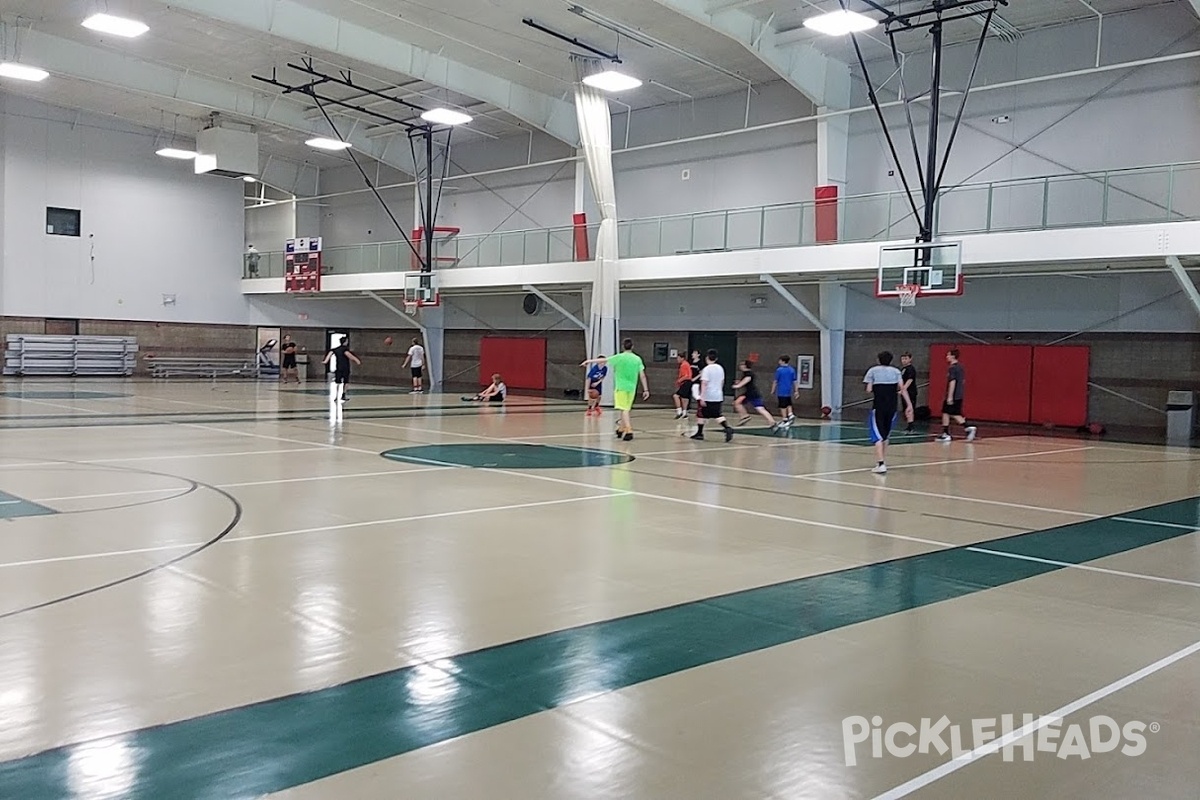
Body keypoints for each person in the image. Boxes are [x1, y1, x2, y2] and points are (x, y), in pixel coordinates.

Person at [582, 339, 649, 441]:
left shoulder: (619, 357)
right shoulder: (637, 359)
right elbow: (642, 375)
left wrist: (588, 361)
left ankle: (629, 431)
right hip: (631, 388)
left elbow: (602, 360)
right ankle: (621, 429)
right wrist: (646, 389)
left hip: (621, 387)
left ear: (623, 346)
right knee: (625, 409)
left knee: (624, 409)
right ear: (632, 347)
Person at [864, 351, 913, 474]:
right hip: (892, 407)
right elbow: (902, 389)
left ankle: (880, 464)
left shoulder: (873, 371)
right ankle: (881, 461)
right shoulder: (896, 371)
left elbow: (869, 390)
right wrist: (909, 405)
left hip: (878, 407)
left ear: (878, 359)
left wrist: (875, 386)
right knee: (886, 435)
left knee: (877, 436)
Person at [691, 349, 734, 443]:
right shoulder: (720, 368)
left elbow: (704, 383)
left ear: (707, 358)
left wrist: (702, 397)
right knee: (710, 414)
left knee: (704, 414)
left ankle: (727, 428)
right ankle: (699, 432)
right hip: (718, 395)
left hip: (708, 396)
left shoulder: (707, 369)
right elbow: (722, 382)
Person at [938, 349, 977, 442]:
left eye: (948, 355)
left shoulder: (952, 368)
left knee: (953, 413)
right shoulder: (961, 367)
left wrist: (950, 396)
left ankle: (968, 427)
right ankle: (946, 433)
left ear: (953, 356)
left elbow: (953, 381)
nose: (946, 357)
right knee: (947, 412)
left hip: (953, 395)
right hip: (959, 394)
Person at [733, 360, 779, 428]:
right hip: (748, 393)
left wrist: (738, 385)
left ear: (745, 366)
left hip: (752, 394)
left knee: (760, 408)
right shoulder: (745, 373)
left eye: (741, 364)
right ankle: (745, 416)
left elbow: (746, 380)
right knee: (737, 402)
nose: (740, 366)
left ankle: (772, 422)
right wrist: (739, 382)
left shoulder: (749, 374)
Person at [322, 334, 360, 403]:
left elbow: (330, 354)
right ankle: (343, 395)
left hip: (338, 367)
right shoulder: (345, 349)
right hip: (345, 367)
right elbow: (350, 356)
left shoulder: (336, 349)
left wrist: (325, 361)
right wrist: (357, 360)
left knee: (338, 382)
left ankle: (336, 396)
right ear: (345, 342)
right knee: (346, 382)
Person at [771, 355, 798, 427]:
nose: (778, 362)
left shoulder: (779, 370)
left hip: (781, 390)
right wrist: (796, 391)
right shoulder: (792, 370)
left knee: (782, 406)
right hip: (789, 389)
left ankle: (785, 419)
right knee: (788, 403)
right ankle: (790, 414)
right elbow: (795, 381)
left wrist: (773, 390)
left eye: (779, 360)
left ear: (782, 361)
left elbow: (776, 381)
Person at [673, 352, 696, 420]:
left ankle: (679, 411)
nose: (677, 359)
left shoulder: (684, 365)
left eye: (678, 358)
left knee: (676, 396)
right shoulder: (687, 364)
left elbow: (686, 376)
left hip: (686, 382)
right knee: (684, 398)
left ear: (682, 358)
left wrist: (679, 380)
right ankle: (684, 413)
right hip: (688, 383)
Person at [900, 352, 918, 432]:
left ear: (910, 359)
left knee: (909, 408)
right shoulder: (903, 369)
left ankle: (911, 426)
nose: (904, 360)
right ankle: (909, 424)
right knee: (905, 408)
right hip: (904, 392)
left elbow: (910, 380)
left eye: (906, 358)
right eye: (903, 359)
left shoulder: (911, 369)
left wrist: (904, 389)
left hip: (910, 392)